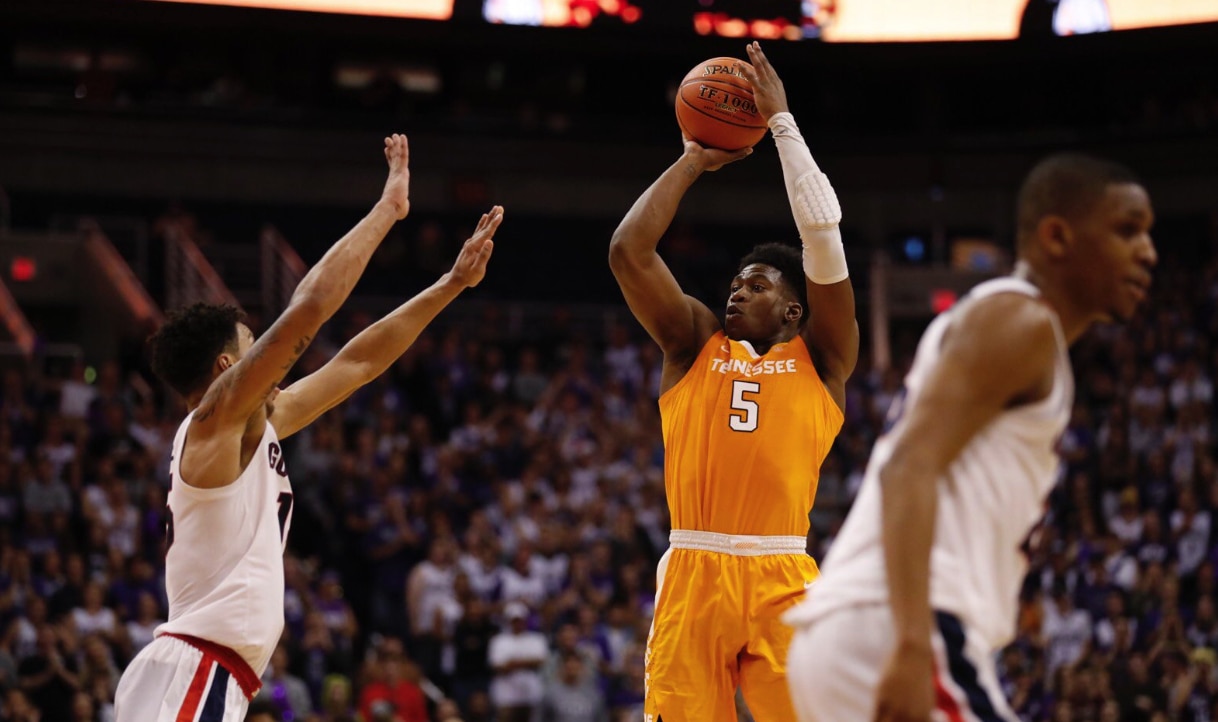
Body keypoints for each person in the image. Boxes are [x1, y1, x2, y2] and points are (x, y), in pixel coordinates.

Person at [113, 133, 506, 721]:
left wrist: (449, 285)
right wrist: (388, 211)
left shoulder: (250, 430)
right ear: (227, 368)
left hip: (209, 673)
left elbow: (358, 363)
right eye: (255, 347)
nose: (271, 362)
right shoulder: (215, 423)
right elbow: (310, 308)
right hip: (194, 669)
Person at [784, 152, 1157, 721]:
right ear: (1057, 237)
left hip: (868, 628)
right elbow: (908, 465)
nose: (1148, 252)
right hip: (894, 624)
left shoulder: (1012, 326)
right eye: (1127, 231)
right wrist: (912, 642)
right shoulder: (1019, 321)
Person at [608, 41, 857, 721]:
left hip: (783, 575)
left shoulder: (823, 359)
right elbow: (628, 251)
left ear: (794, 310)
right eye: (735, 283)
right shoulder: (694, 343)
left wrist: (783, 126)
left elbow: (824, 238)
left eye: (757, 285)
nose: (737, 292)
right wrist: (692, 159)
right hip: (695, 568)